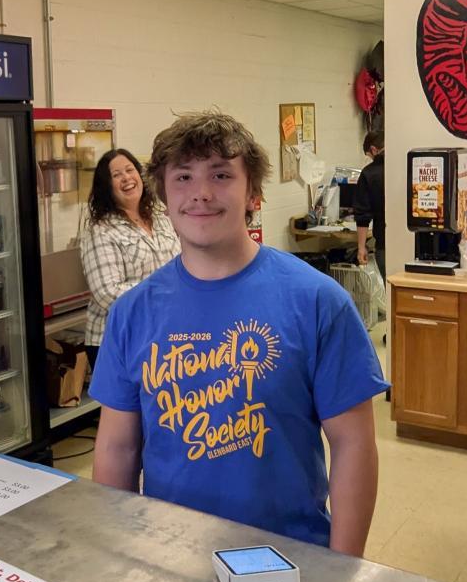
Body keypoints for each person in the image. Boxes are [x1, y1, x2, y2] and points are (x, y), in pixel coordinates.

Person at [90, 112, 388, 556]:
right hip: (168, 553)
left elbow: (353, 446)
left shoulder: (318, 302)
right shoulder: (132, 313)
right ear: (164, 195)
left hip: (290, 557)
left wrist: (342, 569)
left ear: (253, 193)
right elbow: (118, 448)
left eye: (221, 175)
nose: (201, 193)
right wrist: (119, 556)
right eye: (184, 177)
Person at [80, 147, 180, 370]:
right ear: (107, 186)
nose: (126, 178)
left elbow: (179, 264)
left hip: (161, 331)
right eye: (116, 175)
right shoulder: (101, 230)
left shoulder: (160, 218)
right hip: (116, 340)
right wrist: (161, 292)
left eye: (129, 170)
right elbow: (107, 293)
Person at [354, 130, 386, 278]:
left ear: (373, 150)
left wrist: (361, 247)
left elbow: (362, 215)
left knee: (390, 289)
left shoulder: (369, 173)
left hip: (384, 242)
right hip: (415, 243)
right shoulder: (406, 165)